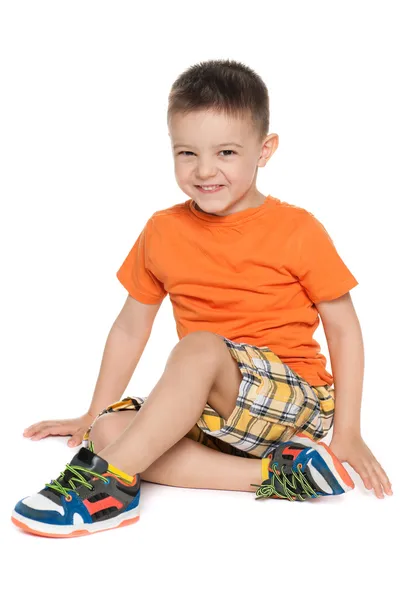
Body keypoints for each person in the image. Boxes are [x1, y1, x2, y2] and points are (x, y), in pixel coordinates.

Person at [12, 59, 392, 538]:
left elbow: (344, 326)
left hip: (294, 400)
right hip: (214, 408)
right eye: (187, 152)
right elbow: (131, 326)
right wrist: (93, 412)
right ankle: (280, 475)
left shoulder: (298, 230)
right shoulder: (162, 230)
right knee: (110, 432)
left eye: (227, 152)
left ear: (264, 150)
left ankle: (105, 484)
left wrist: (349, 432)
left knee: (198, 348)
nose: (205, 170)